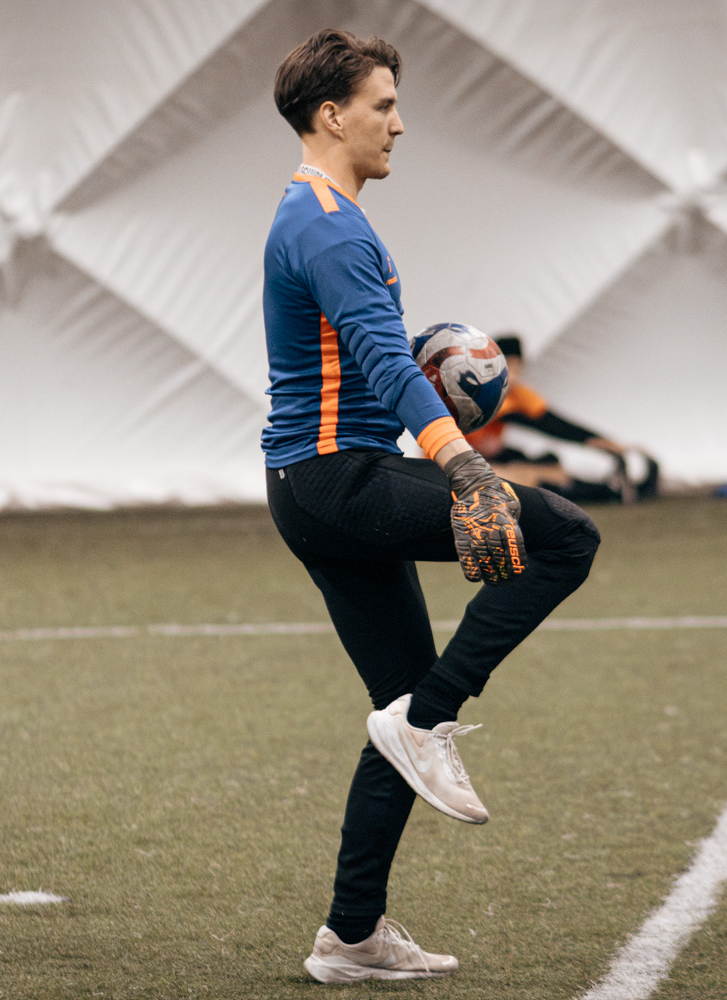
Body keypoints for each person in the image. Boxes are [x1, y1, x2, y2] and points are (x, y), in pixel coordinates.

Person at [261, 29, 601, 983]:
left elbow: (367, 352)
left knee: (401, 704)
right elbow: (377, 356)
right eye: (384, 106)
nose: (399, 124)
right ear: (332, 116)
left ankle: (351, 937)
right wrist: (466, 468)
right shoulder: (330, 226)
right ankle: (429, 722)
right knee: (568, 537)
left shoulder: (316, 215)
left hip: (313, 485)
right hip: (340, 481)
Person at [467, 335, 661, 504]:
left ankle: (613, 491)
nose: (513, 373)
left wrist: (602, 441)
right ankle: (610, 494)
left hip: (493, 457)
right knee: (523, 477)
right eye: (507, 366)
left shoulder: (518, 394)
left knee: (549, 463)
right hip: (467, 462)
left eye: (516, 366)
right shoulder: (484, 394)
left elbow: (554, 422)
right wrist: (596, 441)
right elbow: (541, 424)